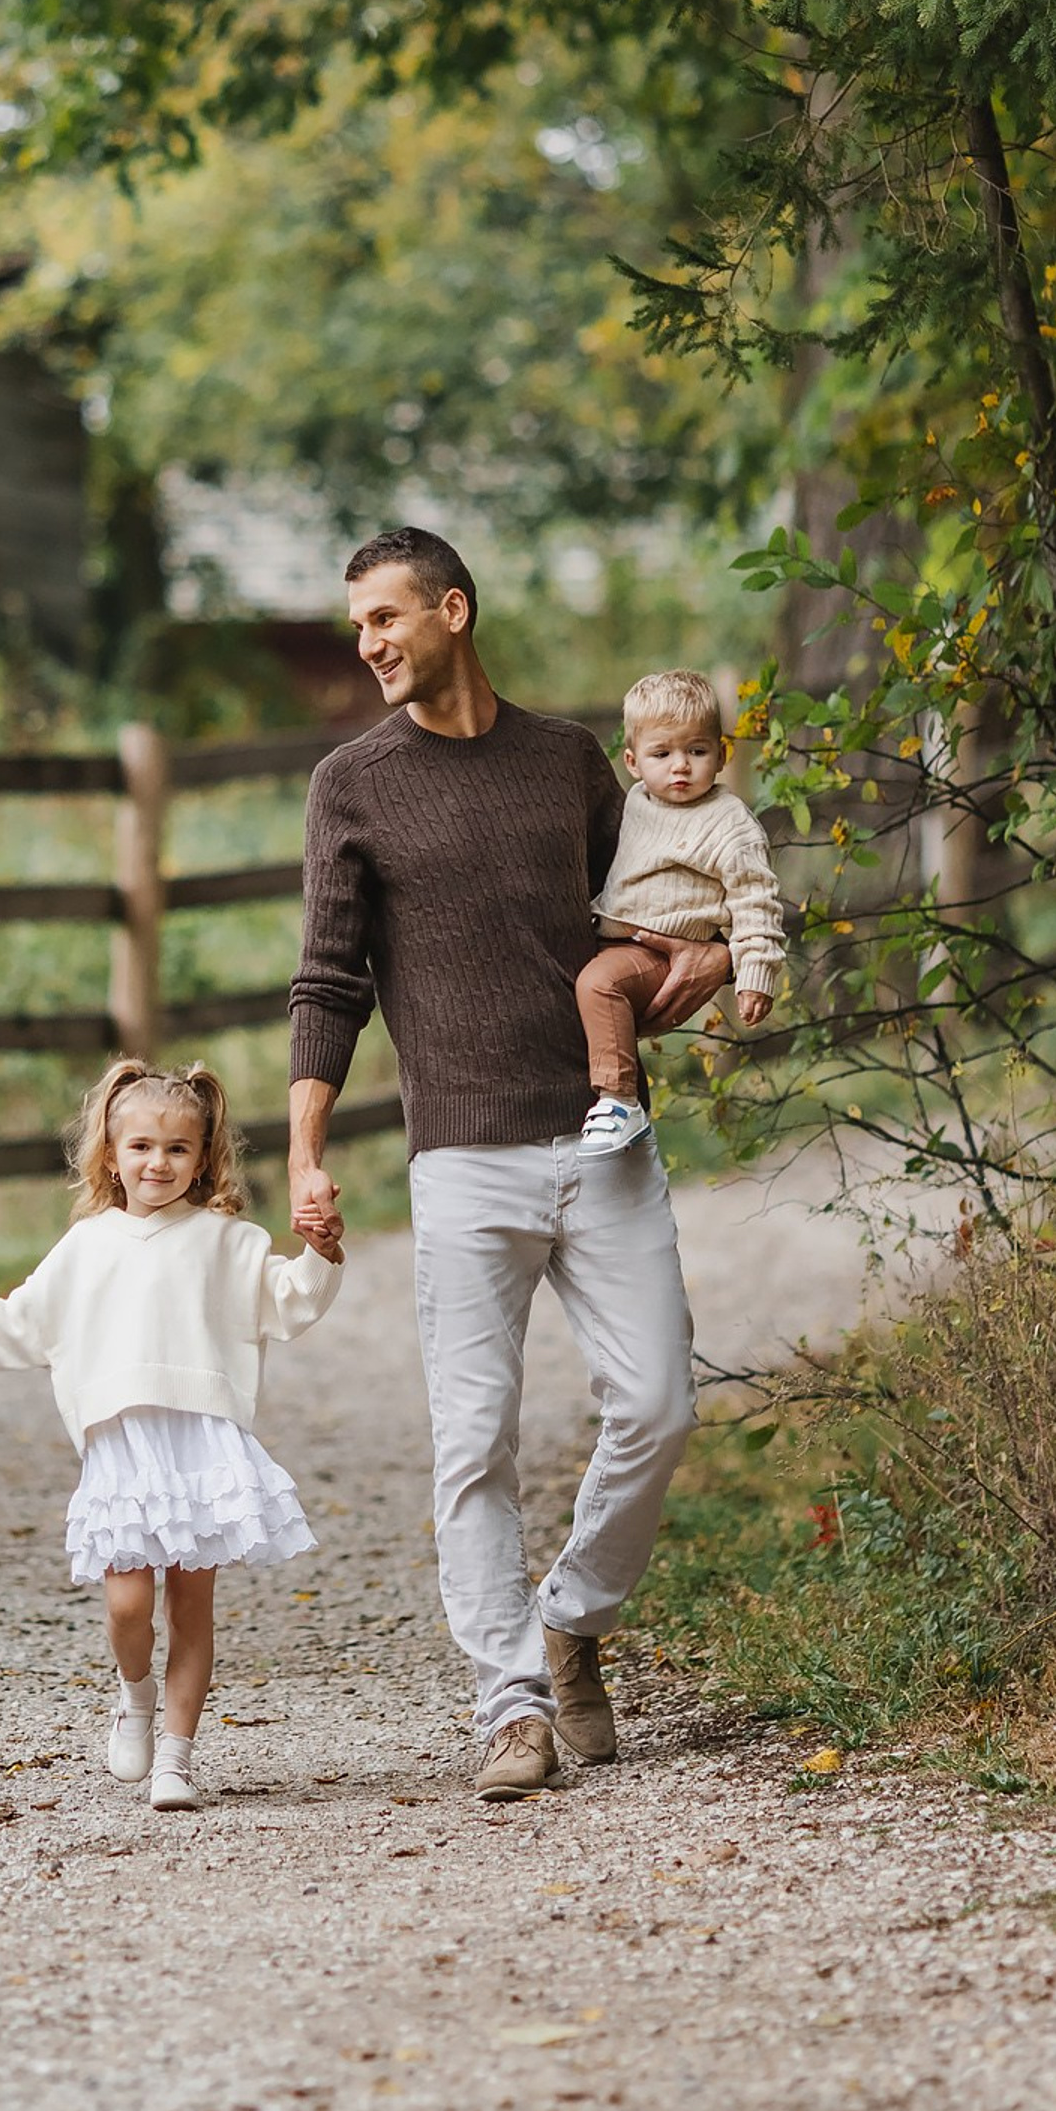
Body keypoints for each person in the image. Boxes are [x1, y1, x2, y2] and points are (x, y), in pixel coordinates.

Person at [287, 528, 731, 1802]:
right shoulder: (351, 785)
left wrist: (699, 966)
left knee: (657, 1404)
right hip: (463, 1162)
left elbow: (649, 911)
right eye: (356, 624)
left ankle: (573, 1617)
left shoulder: (570, 762)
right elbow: (327, 980)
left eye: (385, 617)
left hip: (606, 1141)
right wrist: (307, 1158)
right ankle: (509, 1705)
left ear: (453, 611)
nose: (368, 643)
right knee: (473, 1446)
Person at [0, 1061, 341, 1812]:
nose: (156, 1163)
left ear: (203, 1158)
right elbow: (16, 1324)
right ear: (109, 1153)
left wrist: (324, 1251)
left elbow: (291, 1301)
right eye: (140, 1147)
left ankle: (177, 1756)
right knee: (129, 1605)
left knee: (191, 1609)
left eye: (176, 1149)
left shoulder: (228, 1242)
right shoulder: (87, 1247)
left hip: (203, 1446)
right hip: (123, 1448)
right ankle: (134, 1698)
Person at [574, 667, 786, 1158]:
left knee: (597, 984)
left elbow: (756, 900)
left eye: (697, 751)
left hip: (662, 953)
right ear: (632, 761)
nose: (681, 768)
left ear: (722, 753)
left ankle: (619, 1099)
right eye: (662, 754)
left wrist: (755, 974)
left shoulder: (729, 823)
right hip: (616, 936)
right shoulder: (637, 802)